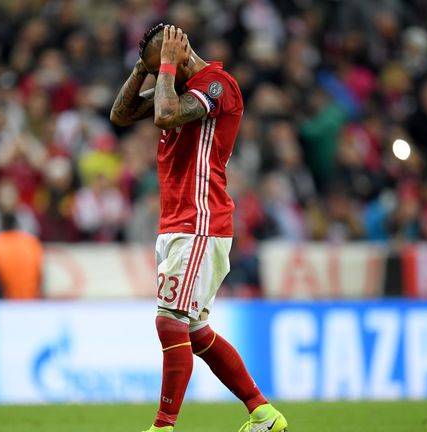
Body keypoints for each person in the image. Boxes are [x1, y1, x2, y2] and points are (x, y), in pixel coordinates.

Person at [110, 24, 287, 432]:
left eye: (164, 66)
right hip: (177, 222)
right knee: (195, 330)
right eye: (156, 70)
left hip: (200, 221)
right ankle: (263, 414)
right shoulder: (171, 86)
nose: (160, 76)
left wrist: (167, 66)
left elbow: (166, 115)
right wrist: (144, 69)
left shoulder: (217, 86)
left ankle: (163, 426)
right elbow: (120, 115)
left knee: (169, 320)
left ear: (181, 53)